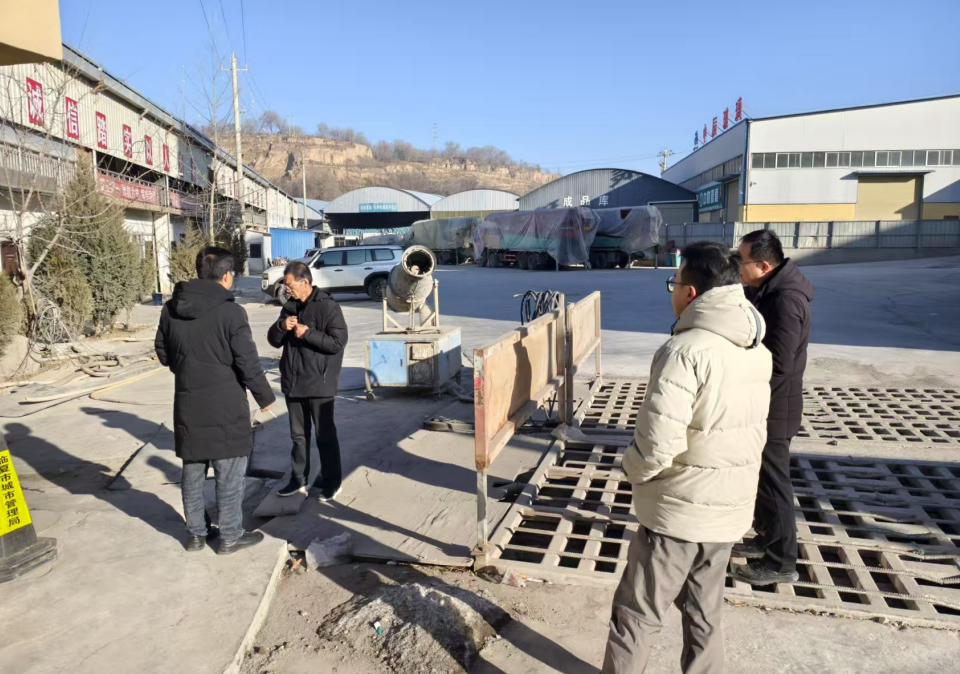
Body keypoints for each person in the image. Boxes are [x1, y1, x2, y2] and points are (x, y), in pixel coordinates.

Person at [603, 242, 772, 674]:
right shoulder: (756, 349)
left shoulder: (684, 351)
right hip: (729, 510)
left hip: (678, 514)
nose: (672, 291)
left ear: (691, 292)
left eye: (673, 283)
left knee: (637, 615)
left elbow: (657, 445)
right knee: (704, 614)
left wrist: (631, 470)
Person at [155, 246, 275, 555]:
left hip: (188, 403)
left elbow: (163, 353)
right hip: (225, 406)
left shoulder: (171, 309)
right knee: (229, 474)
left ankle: (196, 535)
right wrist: (264, 396)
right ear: (226, 276)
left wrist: (188, 370)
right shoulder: (231, 312)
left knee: (193, 472)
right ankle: (231, 535)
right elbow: (247, 362)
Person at [732, 229, 813, 586]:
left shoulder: (786, 300)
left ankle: (781, 562)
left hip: (776, 406)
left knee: (774, 483)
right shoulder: (766, 289)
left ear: (764, 266)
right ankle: (766, 538)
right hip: (765, 402)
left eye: (741, 261)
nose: (737, 267)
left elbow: (779, 363)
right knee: (763, 480)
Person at [267, 260, 348, 501]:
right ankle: (298, 480)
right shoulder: (289, 306)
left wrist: (308, 334)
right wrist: (282, 326)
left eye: (290, 284)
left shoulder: (328, 306)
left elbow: (338, 342)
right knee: (298, 437)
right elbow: (273, 339)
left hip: (319, 383)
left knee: (325, 436)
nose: (287, 289)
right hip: (293, 381)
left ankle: (332, 482)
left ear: (305, 282)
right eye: (285, 284)